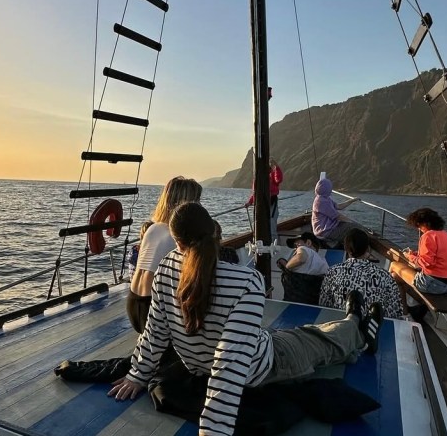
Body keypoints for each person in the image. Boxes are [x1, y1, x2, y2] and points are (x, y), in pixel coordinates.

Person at [109, 202, 384, 436]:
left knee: (301, 334)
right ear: (216, 236)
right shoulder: (246, 281)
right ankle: (358, 329)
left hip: (211, 364)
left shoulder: (167, 267)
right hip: (265, 365)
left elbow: (155, 331)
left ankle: (353, 322)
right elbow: (230, 361)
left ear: (176, 241)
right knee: (319, 341)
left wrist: (137, 374)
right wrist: (214, 431)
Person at [127, 176, 202, 333]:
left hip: (133, 303)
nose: (200, 207)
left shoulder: (153, 228)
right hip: (151, 312)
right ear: (184, 204)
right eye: (196, 201)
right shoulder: (175, 237)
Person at [320, 228, 404, 320]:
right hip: (373, 329)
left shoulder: (332, 272)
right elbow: (395, 313)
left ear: (345, 249)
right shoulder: (384, 276)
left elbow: (324, 305)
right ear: (368, 249)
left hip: (338, 327)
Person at [389, 207, 447, 316]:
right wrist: (416, 254)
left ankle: (393, 305)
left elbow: (426, 263)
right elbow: (437, 258)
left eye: (419, 225)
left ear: (425, 223)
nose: (419, 229)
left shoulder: (428, 236)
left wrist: (410, 257)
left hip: (432, 283)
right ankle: (406, 311)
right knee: (395, 277)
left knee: (394, 265)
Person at [278, 232, 329, 305]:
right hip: (313, 303)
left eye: (296, 245)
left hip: (296, 301)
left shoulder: (303, 248)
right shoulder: (323, 262)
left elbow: (301, 258)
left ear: (308, 243)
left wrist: (286, 265)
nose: (295, 249)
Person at [312, 177, 359, 248]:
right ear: (326, 189)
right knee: (354, 228)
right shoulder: (321, 201)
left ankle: (336, 243)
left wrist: (352, 200)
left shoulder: (325, 198)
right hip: (324, 232)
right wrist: (353, 222)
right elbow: (338, 216)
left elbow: (339, 206)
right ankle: (349, 247)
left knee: (349, 225)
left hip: (327, 228)